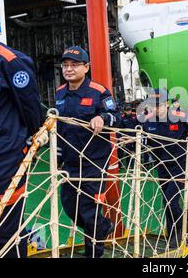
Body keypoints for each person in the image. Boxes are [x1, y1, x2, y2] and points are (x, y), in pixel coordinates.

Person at [55, 46, 120, 258]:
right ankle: (103, 227)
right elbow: (59, 129)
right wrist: (57, 158)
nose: (69, 69)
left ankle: (94, 254)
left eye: (74, 65)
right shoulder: (60, 93)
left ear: (86, 67)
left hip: (93, 162)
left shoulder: (99, 92)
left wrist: (102, 118)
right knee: (69, 206)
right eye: (65, 65)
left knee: (88, 210)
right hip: (70, 162)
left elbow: (116, 116)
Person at [0, 33, 43, 258]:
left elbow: (31, 108)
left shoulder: (8, 60)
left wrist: (32, 140)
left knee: (6, 230)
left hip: (4, 160)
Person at [140, 88, 188, 248]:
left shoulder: (179, 116)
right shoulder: (147, 120)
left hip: (180, 164)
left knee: (170, 199)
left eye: (159, 105)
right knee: (166, 201)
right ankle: (173, 234)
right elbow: (141, 138)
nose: (155, 108)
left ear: (167, 104)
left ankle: (185, 225)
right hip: (161, 166)